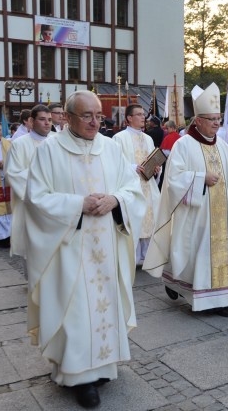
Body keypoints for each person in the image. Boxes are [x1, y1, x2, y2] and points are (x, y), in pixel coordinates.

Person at [24, 90, 145, 408]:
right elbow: (35, 199)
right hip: (70, 248)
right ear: (67, 117)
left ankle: (103, 367)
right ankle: (79, 377)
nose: (94, 122)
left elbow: (131, 186)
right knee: (76, 311)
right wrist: (78, 204)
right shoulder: (50, 151)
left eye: (99, 116)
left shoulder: (111, 147)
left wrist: (115, 200)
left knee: (104, 307)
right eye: (87, 115)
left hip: (106, 243)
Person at [144, 83, 228, 318]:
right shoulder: (183, 144)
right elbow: (173, 180)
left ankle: (220, 300)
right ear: (198, 121)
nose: (216, 123)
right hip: (196, 213)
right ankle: (178, 285)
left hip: (220, 214)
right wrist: (201, 179)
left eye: (218, 119)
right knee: (192, 256)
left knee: (220, 255)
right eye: (211, 119)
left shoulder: (222, 145)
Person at [112, 104, 161, 266]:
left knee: (150, 217)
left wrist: (156, 168)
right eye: (138, 115)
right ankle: (132, 256)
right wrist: (133, 167)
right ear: (129, 118)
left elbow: (154, 157)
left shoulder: (148, 138)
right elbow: (115, 163)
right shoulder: (119, 138)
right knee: (134, 219)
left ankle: (147, 255)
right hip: (131, 186)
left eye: (143, 115)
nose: (143, 118)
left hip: (148, 184)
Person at [4, 105, 54, 259]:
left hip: (56, 202)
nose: (47, 123)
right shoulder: (19, 144)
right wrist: (43, 179)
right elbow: (13, 173)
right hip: (31, 203)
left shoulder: (57, 141)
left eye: (49, 120)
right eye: (42, 119)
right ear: (31, 121)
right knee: (32, 251)